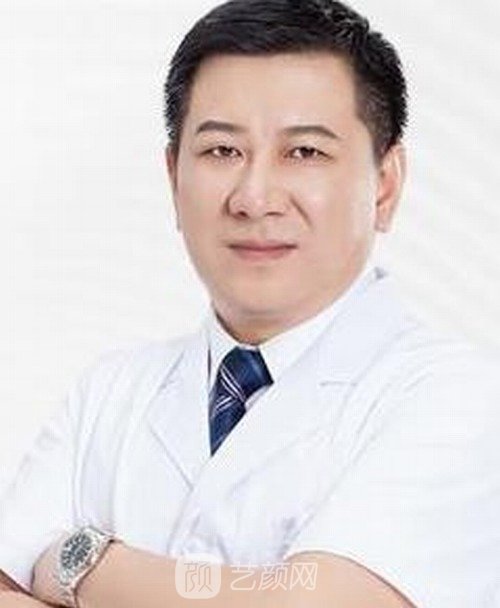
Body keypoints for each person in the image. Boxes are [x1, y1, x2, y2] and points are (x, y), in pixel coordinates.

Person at [0, 0, 499, 606]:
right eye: (221, 151)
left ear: (385, 185)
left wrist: (80, 563)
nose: (254, 197)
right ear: (173, 177)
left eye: (305, 152)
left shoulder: (461, 397)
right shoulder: (108, 392)